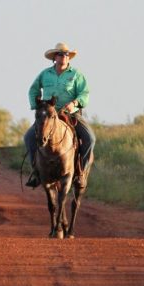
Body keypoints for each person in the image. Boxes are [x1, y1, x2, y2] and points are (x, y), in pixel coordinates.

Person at [24, 42, 96, 188]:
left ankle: (81, 172)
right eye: (60, 54)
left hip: (70, 114)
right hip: (48, 115)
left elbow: (84, 93)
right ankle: (36, 171)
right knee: (29, 137)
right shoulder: (45, 74)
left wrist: (74, 103)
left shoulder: (76, 75)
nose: (64, 56)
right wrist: (37, 106)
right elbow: (33, 90)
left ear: (69, 58)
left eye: (66, 54)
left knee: (90, 138)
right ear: (54, 58)